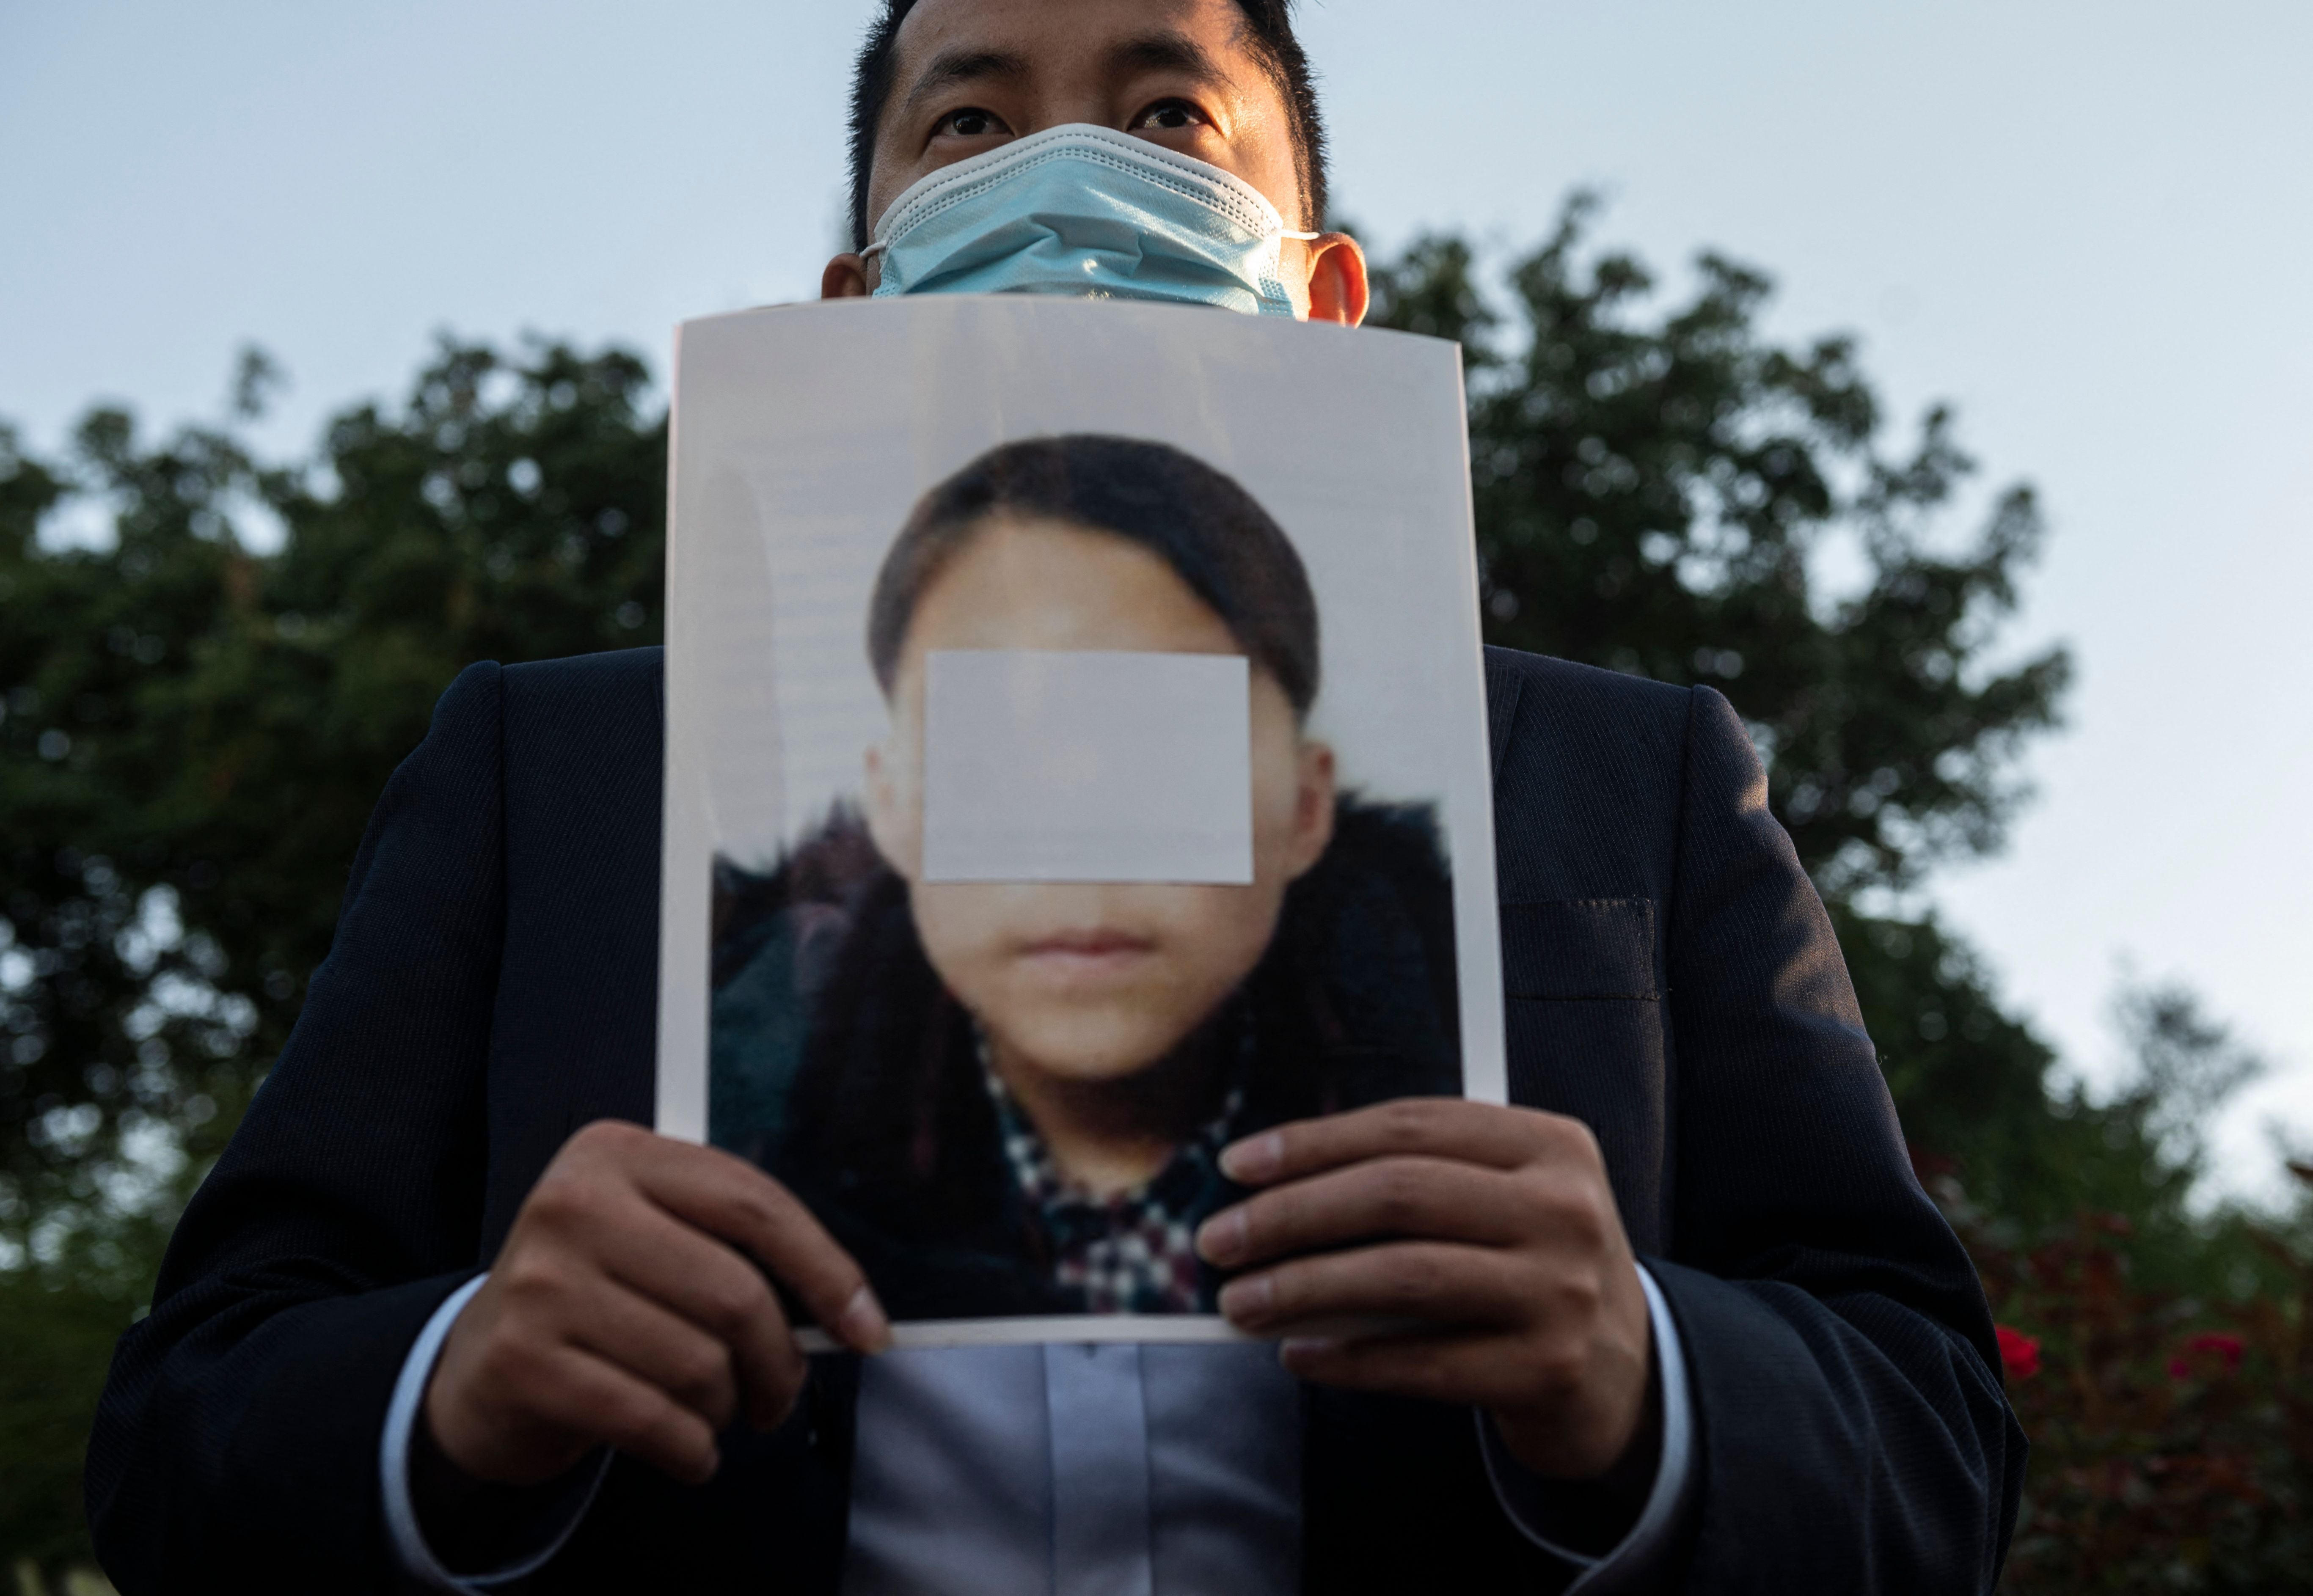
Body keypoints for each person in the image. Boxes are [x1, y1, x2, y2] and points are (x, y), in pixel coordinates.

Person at [87, 1, 2026, 1592]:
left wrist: (1647, 1377)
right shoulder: (550, 768)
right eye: (963, 126)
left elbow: (1929, 1431)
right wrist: (454, 1388)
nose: (1062, 176)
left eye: (1172, 112)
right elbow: (184, 1438)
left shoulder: (1634, 775)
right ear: (849, 296)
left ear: (1327, 291)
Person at [710, 435, 1459, 1322]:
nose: (1077, 840)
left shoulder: (1493, 1080)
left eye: (1165, 740)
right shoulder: (715, 1121)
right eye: (990, 746)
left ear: (1306, 806)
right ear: (892, 806)